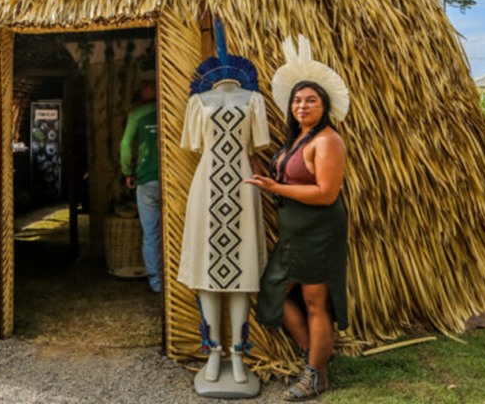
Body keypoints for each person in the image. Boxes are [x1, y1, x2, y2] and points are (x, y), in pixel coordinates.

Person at [244, 34, 350, 402]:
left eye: (311, 100)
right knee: (275, 291)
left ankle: (315, 374)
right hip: (295, 235)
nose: (302, 106)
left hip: (319, 231)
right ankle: (315, 355)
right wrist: (262, 170)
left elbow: (326, 193)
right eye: (297, 100)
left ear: (325, 106)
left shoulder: (327, 141)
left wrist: (274, 188)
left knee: (316, 302)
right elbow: (287, 176)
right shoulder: (297, 140)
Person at [177, 52, 270, 386]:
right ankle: (213, 352)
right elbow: (194, 144)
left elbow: (257, 142)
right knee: (207, 268)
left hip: (243, 187)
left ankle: (239, 353)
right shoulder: (198, 101)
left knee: (242, 267)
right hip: (207, 185)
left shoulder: (254, 100)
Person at [120, 73, 162, 293]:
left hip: (146, 179)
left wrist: (127, 171)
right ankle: (174, 279)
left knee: (151, 232)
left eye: (146, 86)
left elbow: (126, 145)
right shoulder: (170, 109)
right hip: (171, 179)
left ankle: (156, 283)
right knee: (174, 229)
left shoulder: (137, 114)